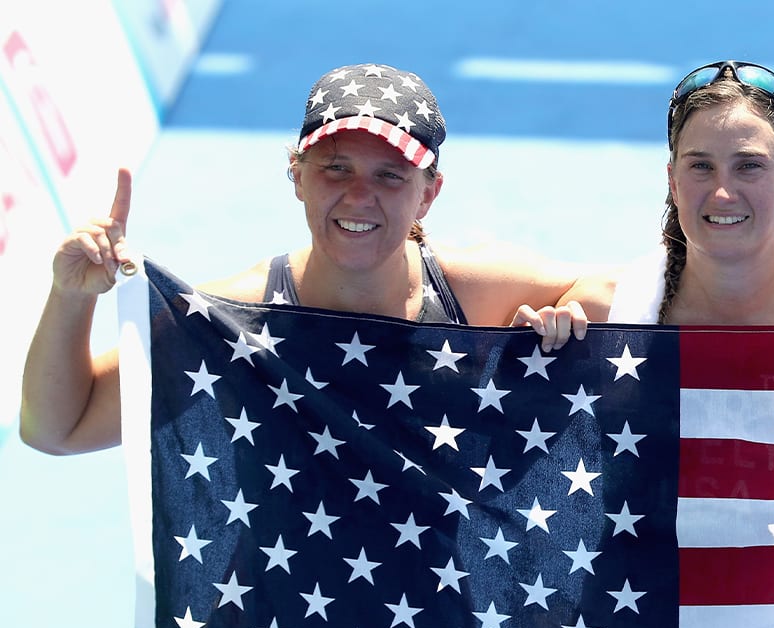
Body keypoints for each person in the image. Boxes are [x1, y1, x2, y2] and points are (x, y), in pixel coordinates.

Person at [20, 62, 585, 456]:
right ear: (296, 176)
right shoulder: (232, 321)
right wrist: (70, 298)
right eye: (335, 168)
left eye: (390, 176)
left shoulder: (478, 290)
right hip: (277, 624)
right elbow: (58, 430)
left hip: (441, 625)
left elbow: (626, 295)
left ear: (428, 193)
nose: (359, 196)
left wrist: (568, 317)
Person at [559, 60, 774, 348]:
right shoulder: (598, 320)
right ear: (673, 183)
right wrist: (525, 354)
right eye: (701, 166)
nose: (723, 194)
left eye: (749, 166)